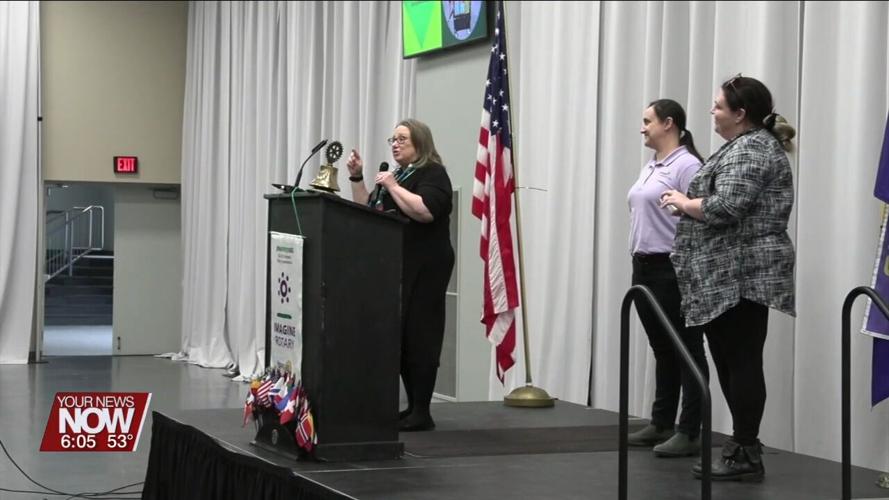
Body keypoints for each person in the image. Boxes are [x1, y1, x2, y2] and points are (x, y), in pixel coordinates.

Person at [660, 74, 796, 482]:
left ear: (740, 114)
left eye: (718, 106)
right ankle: (742, 446)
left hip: (742, 277)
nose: (712, 112)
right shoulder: (741, 146)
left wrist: (685, 201)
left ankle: (746, 448)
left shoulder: (753, 148)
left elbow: (727, 207)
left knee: (741, 362)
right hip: (724, 278)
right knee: (731, 362)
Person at [346, 119, 455, 432]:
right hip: (398, 262)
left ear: (420, 143)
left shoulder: (432, 173)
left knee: (421, 333)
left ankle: (422, 410)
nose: (394, 144)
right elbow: (369, 208)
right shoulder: (399, 175)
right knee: (402, 335)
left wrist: (392, 185)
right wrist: (357, 177)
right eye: (392, 139)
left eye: (402, 139)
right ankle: (413, 407)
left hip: (427, 266)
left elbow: (426, 211)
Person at [626, 99, 709, 458]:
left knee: (686, 348)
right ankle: (662, 421)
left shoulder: (687, 164)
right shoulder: (653, 164)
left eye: (648, 121)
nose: (643, 127)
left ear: (669, 124)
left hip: (672, 267)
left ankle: (690, 430)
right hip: (644, 266)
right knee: (662, 347)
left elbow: (703, 212)